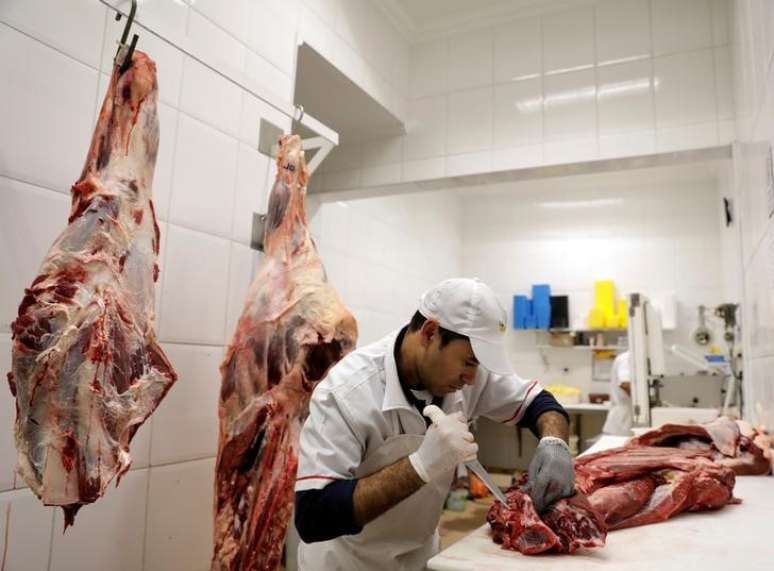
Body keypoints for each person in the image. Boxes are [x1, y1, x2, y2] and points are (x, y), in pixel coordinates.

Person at [294, 278, 574, 570]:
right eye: (468, 362)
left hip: (421, 556)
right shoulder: (347, 392)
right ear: (429, 333)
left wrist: (554, 443)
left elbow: (540, 404)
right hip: (348, 563)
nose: (472, 379)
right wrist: (420, 465)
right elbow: (313, 516)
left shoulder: (468, 375)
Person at [602, 350, 633, 436]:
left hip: (628, 418)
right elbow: (625, 384)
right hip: (623, 421)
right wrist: (645, 402)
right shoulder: (626, 359)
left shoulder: (635, 359)